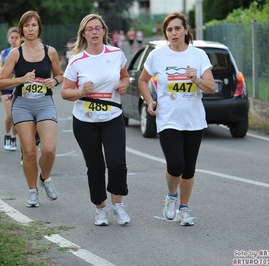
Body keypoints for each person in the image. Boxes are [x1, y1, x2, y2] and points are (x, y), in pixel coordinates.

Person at [138, 12, 216, 226]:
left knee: (189, 168)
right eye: (169, 30)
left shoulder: (198, 56)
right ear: (166, 33)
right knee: (175, 163)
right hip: (168, 119)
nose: (173, 33)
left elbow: (212, 87)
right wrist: (149, 101)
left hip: (194, 120)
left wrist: (197, 79)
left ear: (186, 30)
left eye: (177, 28)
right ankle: (171, 196)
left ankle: (184, 209)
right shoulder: (157, 56)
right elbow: (143, 81)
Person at [61, 13, 130, 226]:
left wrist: (124, 84)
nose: (94, 32)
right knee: (95, 166)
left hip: (112, 117)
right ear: (84, 33)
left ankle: (117, 205)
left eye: (97, 28)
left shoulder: (116, 53)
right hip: (85, 121)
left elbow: (125, 76)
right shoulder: (77, 60)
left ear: (103, 31)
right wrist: (81, 91)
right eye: (89, 29)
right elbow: (65, 92)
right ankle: (100, 209)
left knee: (117, 163)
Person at [0, 10, 63, 208]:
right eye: (27, 26)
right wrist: (21, 79)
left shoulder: (50, 51)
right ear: (22, 29)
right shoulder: (16, 53)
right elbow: (0, 81)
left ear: (39, 27)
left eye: (34, 25)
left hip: (44, 103)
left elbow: (60, 75)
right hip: (22, 105)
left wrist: (54, 80)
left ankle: (45, 178)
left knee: (49, 149)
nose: (30, 29)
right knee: (30, 152)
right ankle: (32, 191)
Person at [0, 27, 20, 151]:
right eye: (12, 38)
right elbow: (2, 68)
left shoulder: (22, 51)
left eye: (16, 37)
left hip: (18, 85)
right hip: (7, 86)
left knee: (16, 115)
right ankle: (7, 135)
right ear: (8, 39)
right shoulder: (4, 53)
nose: (14, 40)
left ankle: (13, 137)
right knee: (10, 114)